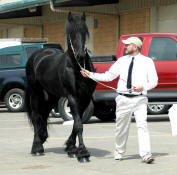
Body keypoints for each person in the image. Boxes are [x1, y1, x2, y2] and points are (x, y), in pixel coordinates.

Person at [80, 37, 158, 164]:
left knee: (142, 126)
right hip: (123, 99)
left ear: (135, 46)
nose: (125, 47)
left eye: (128, 45)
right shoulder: (121, 61)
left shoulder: (147, 62)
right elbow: (108, 76)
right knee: (121, 128)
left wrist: (143, 87)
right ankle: (119, 151)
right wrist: (90, 74)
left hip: (140, 99)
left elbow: (154, 81)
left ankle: (146, 155)